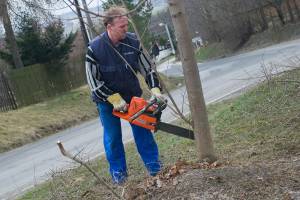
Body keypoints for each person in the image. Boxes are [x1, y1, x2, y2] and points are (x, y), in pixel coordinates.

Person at [85, 6, 165, 184]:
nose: (126, 29)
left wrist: (155, 89)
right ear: (109, 26)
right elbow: (93, 83)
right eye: (122, 26)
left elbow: (147, 68)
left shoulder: (133, 42)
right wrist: (113, 99)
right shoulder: (95, 49)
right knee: (113, 138)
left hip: (131, 96)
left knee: (143, 131)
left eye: (126, 25)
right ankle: (119, 177)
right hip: (107, 102)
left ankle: (155, 168)